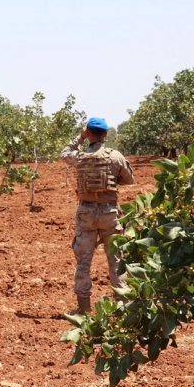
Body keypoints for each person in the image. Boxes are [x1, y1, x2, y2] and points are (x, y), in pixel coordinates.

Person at [59, 117, 135, 314]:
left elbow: (64, 153)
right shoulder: (116, 156)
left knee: (83, 261)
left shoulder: (80, 156)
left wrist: (79, 137)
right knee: (116, 259)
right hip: (110, 213)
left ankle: (84, 310)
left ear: (88, 133)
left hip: (86, 213)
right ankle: (122, 308)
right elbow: (129, 179)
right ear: (106, 134)